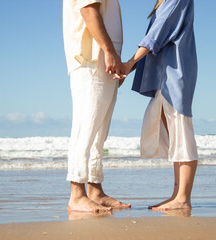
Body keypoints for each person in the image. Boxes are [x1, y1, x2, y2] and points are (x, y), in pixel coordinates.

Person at [121, 0, 198, 211]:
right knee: (175, 136)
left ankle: (183, 198)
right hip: (164, 74)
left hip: (175, 72)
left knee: (181, 133)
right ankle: (177, 195)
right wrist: (130, 66)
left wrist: (129, 64)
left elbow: (157, 32)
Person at [63, 0, 131, 212]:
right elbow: (88, 10)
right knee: (86, 127)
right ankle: (77, 194)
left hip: (104, 61)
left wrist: (114, 56)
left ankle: (95, 191)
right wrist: (109, 51)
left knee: (99, 132)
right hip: (90, 60)